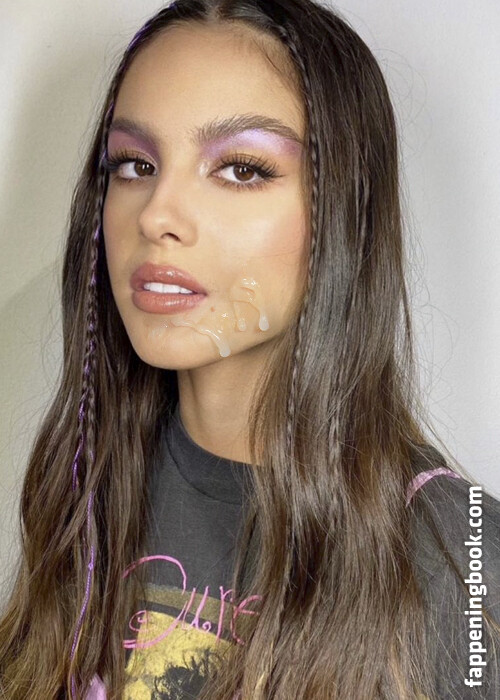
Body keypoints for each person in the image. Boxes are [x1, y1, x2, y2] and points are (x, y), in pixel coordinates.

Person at [1, 0, 499, 698]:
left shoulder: (463, 560)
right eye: (134, 164)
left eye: (241, 169)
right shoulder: (87, 483)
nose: (157, 214)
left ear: (344, 210)